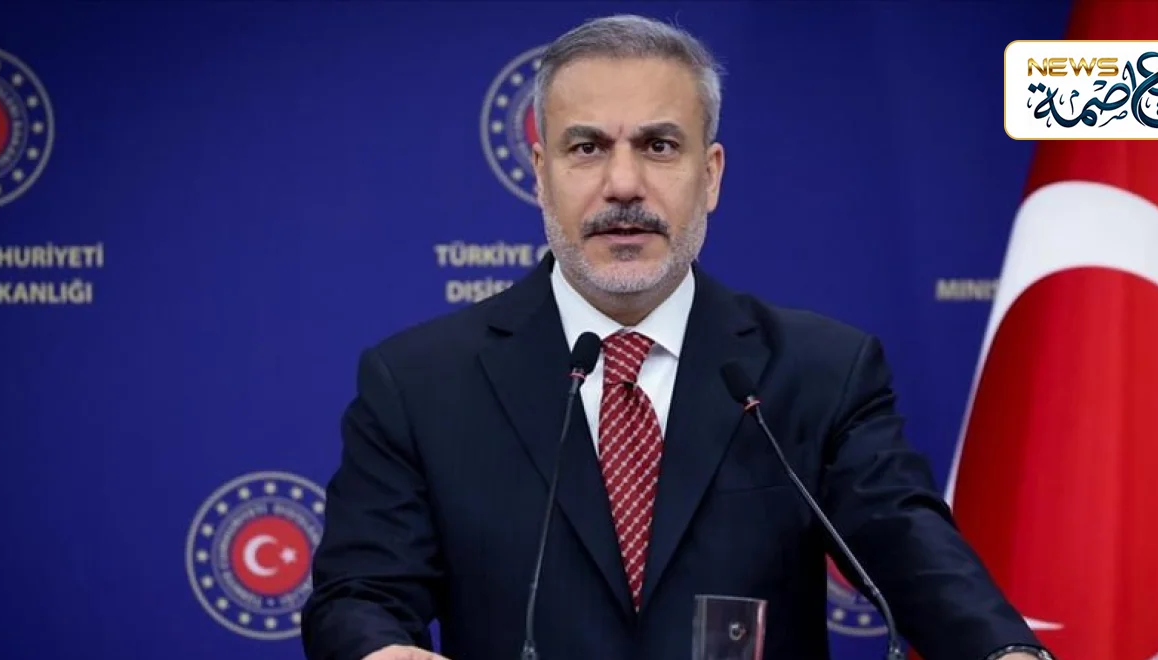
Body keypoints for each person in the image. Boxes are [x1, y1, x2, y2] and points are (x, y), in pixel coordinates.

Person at [301, 13, 1055, 660]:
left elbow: (908, 547)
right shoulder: (421, 382)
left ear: (712, 174)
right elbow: (360, 594)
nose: (624, 184)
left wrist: (1003, 650)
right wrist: (378, 648)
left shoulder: (820, 370)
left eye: (659, 146)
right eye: (586, 148)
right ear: (540, 173)